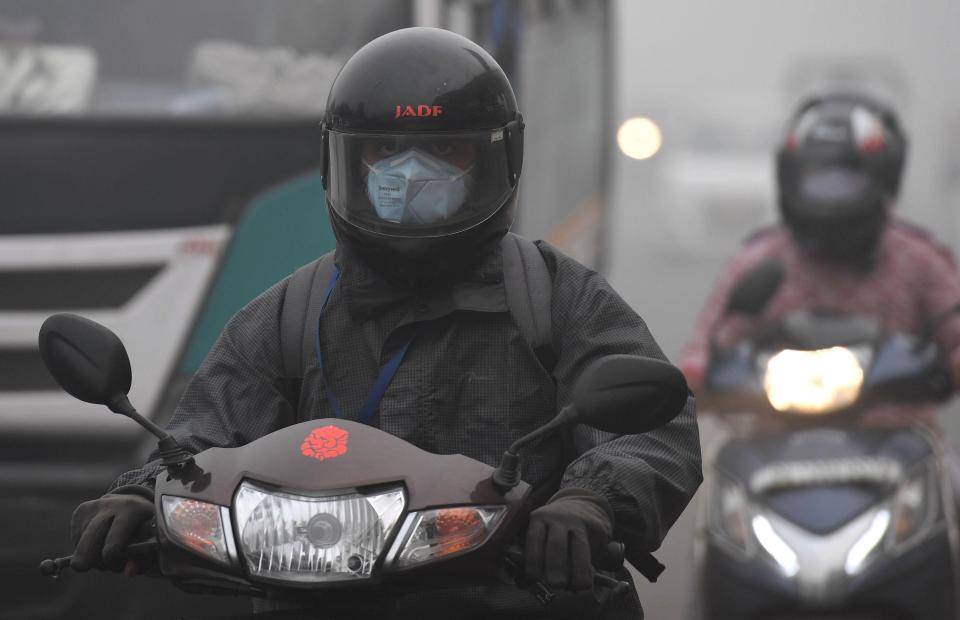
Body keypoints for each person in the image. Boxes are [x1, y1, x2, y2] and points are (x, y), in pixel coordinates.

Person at [67, 27, 702, 619]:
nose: (410, 172)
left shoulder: (558, 298)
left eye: (442, 150)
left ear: (496, 161)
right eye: (385, 152)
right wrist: (141, 494)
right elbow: (202, 441)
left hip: (512, 602)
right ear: (341, 164)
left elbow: (657, 430)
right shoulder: (293, 310)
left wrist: (589, 502)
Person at [680, 92, 960, 429]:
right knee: (703, 470)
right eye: (819, 177)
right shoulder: (762, 260)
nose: (832, 196)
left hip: (901, 440)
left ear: (884, 176)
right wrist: (690, 379)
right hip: (771, 443)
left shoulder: (917, 260)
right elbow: (708, 345)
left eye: (846, 178)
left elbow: (954, 329)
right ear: (788, 177)